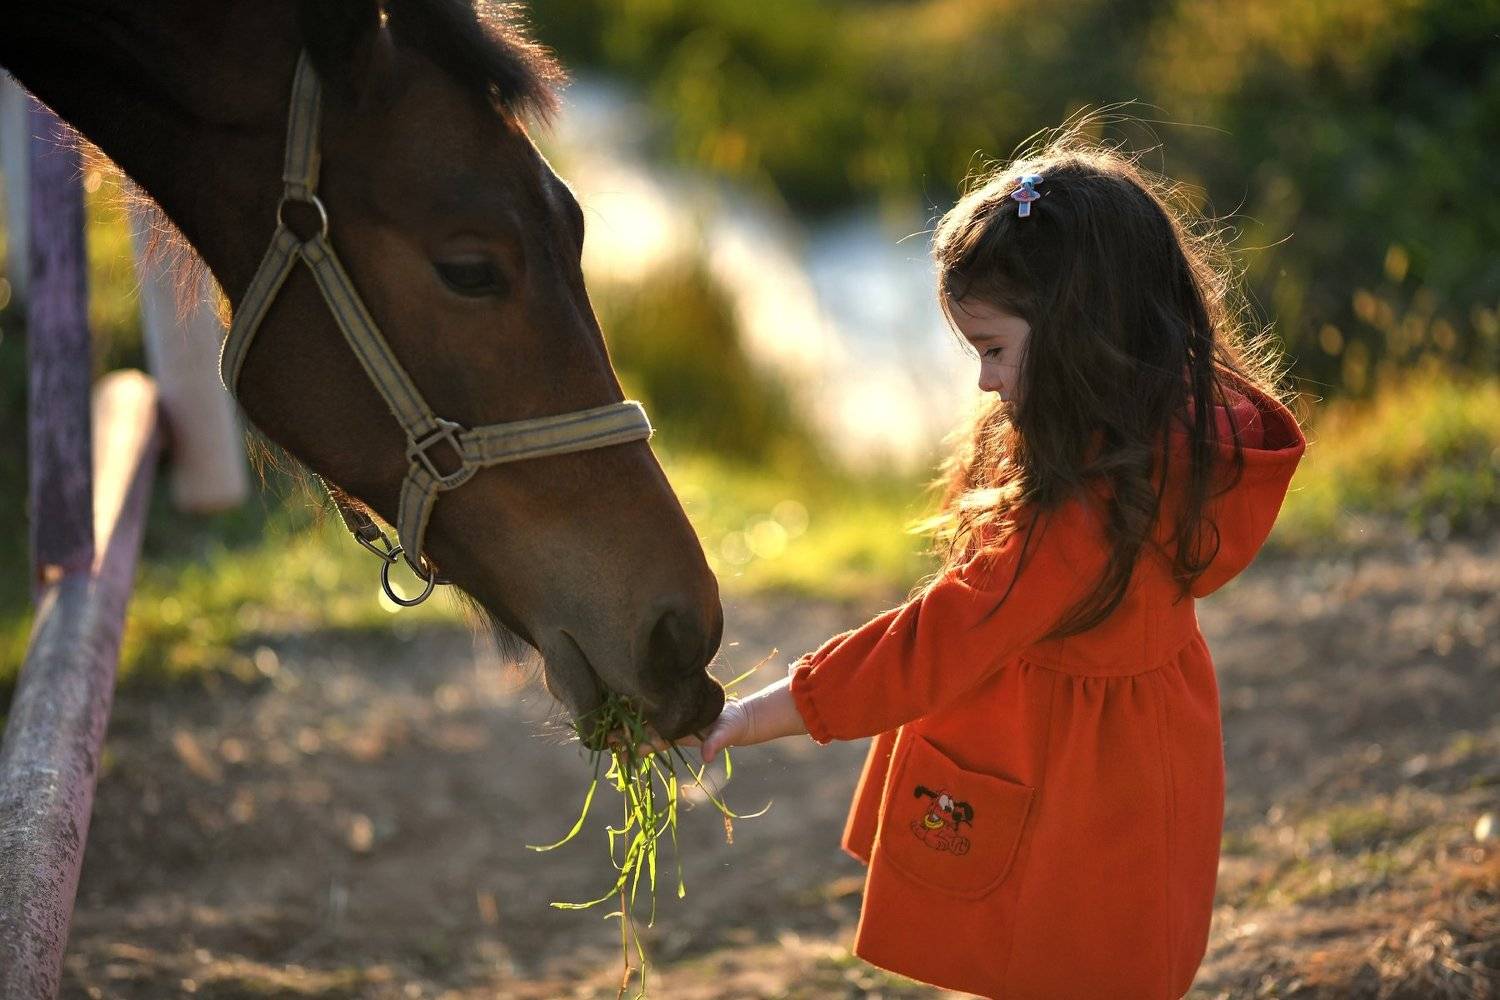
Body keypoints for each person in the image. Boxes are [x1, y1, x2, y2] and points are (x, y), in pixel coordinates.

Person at [686, 136, 1307, 999]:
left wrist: (756, 715)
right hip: (1141, 761)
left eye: (993, 350)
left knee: (1064, 962)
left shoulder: (1082, 517)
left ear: (1081, 334)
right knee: (1114, 954)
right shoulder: (1170, 439)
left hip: (1069, 782)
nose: (983, 383)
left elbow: (932, 641)